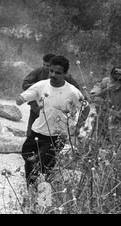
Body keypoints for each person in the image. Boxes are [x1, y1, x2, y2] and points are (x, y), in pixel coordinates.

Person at [16, 55, 90, 186]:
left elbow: (86, 108)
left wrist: (78, 126)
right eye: (51, 71)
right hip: (37, 131)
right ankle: (32, 190)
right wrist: (21, 100)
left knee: (40, 161)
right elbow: (25, 96)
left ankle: (41, 194)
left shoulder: (72, 92)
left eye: (57, 72)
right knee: (28, 158)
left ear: (65, 74)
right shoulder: (41, 85)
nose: (53, 74)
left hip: (56, 136)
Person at [22, 53, 82, 137]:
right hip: (37, 105)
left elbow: (77, 90)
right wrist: (36, 89)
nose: (46, 67)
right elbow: (25, 84)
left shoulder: (66, 76)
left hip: (55, 108)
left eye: (48, 65)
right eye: (44, 65)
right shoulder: (39, 71)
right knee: (32, 129)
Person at [89, 65, 121, 143]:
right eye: (115, 78)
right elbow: (92, 96)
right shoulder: (106, 81)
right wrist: (106, 90)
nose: (117, 81)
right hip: (104, 113)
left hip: (117, 117)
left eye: (120, 79)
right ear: (111, 76)